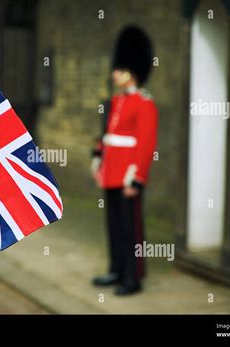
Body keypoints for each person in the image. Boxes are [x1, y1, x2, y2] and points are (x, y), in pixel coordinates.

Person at [91, 26, 158, 295]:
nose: (114, 73)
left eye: (118, 68)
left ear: (131, 71)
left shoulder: (144, 103)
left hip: (127, 174)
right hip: (111, 172)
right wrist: (98, 158)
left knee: (131, 228)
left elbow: (145, 144)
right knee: (114, 225)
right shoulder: (116, 102)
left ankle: (133, 276)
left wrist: (137, 178)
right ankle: (116, 269)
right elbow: (108, 134)